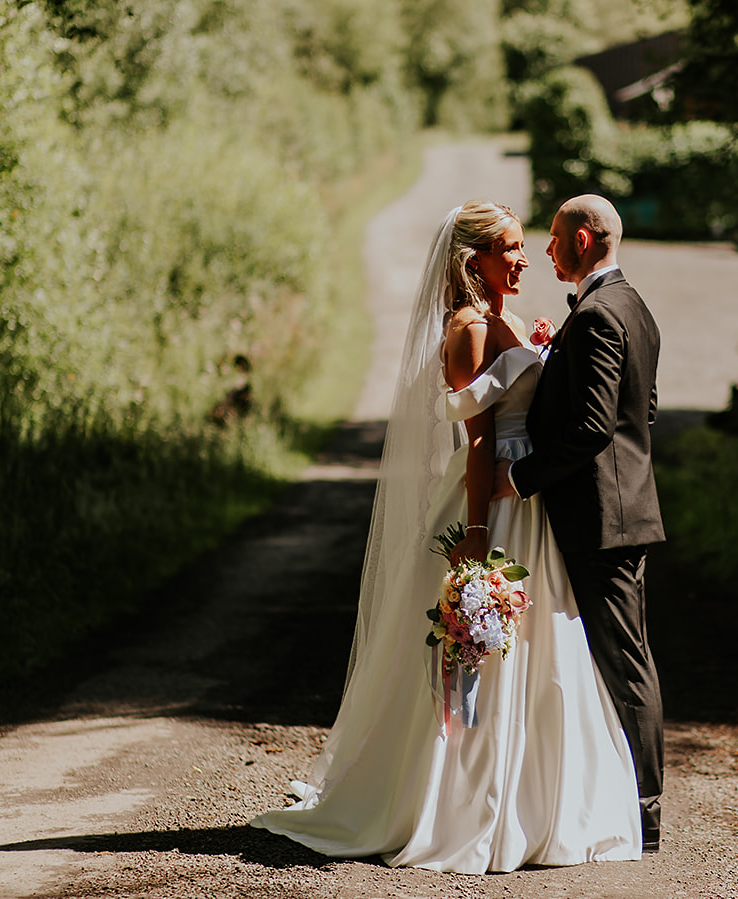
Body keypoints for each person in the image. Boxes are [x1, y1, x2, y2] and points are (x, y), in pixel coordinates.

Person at [251, 201, 642, 873]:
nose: (523, 259)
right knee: (481, 654)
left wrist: (537, 349)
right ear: (474, 261)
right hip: (495, 503)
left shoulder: (507, 320)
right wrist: (481, 537)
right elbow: (481, 438)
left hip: (528, 503)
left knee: (538, 652)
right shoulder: (466, 327)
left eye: (527, 246)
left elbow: (528, 395)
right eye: (511, 249)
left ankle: (532, 800)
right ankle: (461, 802)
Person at [495, 193, 665, 851]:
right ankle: (621, 799)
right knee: (622, 659)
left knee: (626, 664)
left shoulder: (597, 314)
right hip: (621, 512)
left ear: (587, 239)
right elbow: (641, 410)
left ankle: (646, 815)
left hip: (603, 520)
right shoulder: (632, 306)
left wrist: (520, 476)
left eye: (558, 237)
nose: (547, 250)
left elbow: (596, 427)